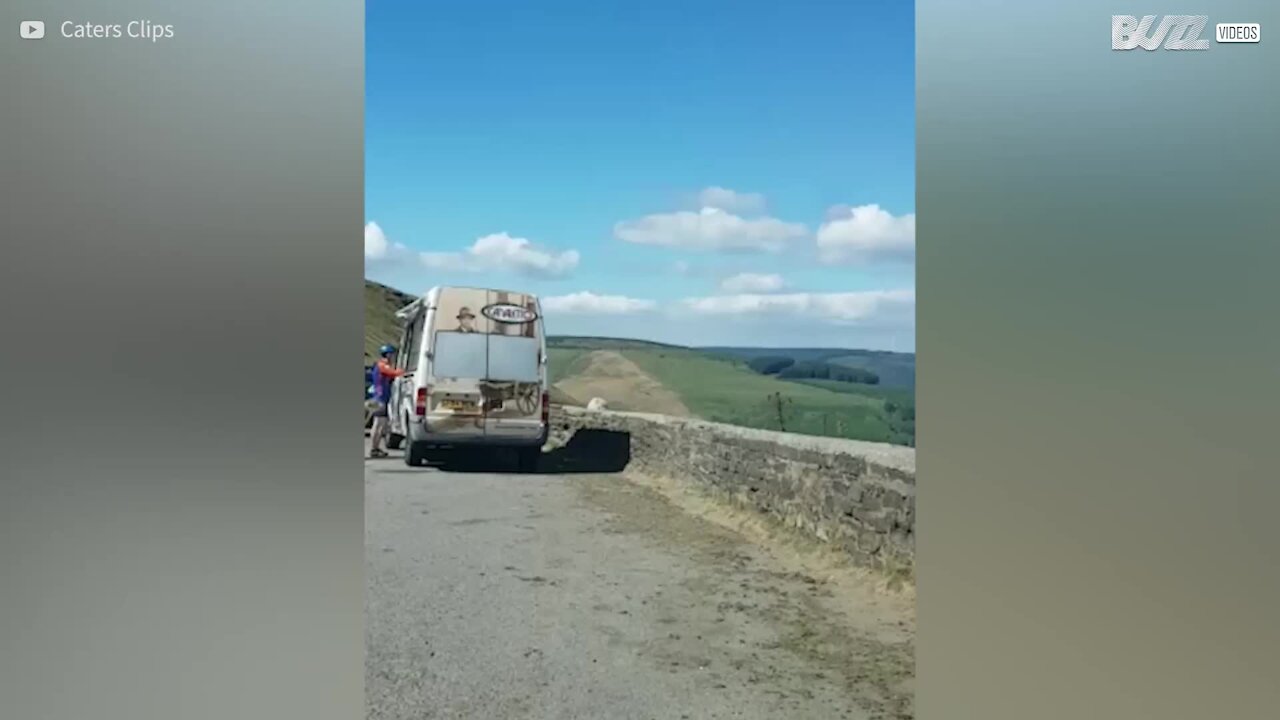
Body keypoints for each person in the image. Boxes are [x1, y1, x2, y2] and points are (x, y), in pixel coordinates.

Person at [368, 344, 405, 458]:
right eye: (392, 354)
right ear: (387, 354)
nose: (393, 357)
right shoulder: (382, 365)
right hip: (381, 398)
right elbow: (395, 373)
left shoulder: (382, 365)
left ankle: (376, 448)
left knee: (380, 425)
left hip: (381, 397)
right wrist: (404, 370)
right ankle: (374, 449)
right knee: (379, 425)